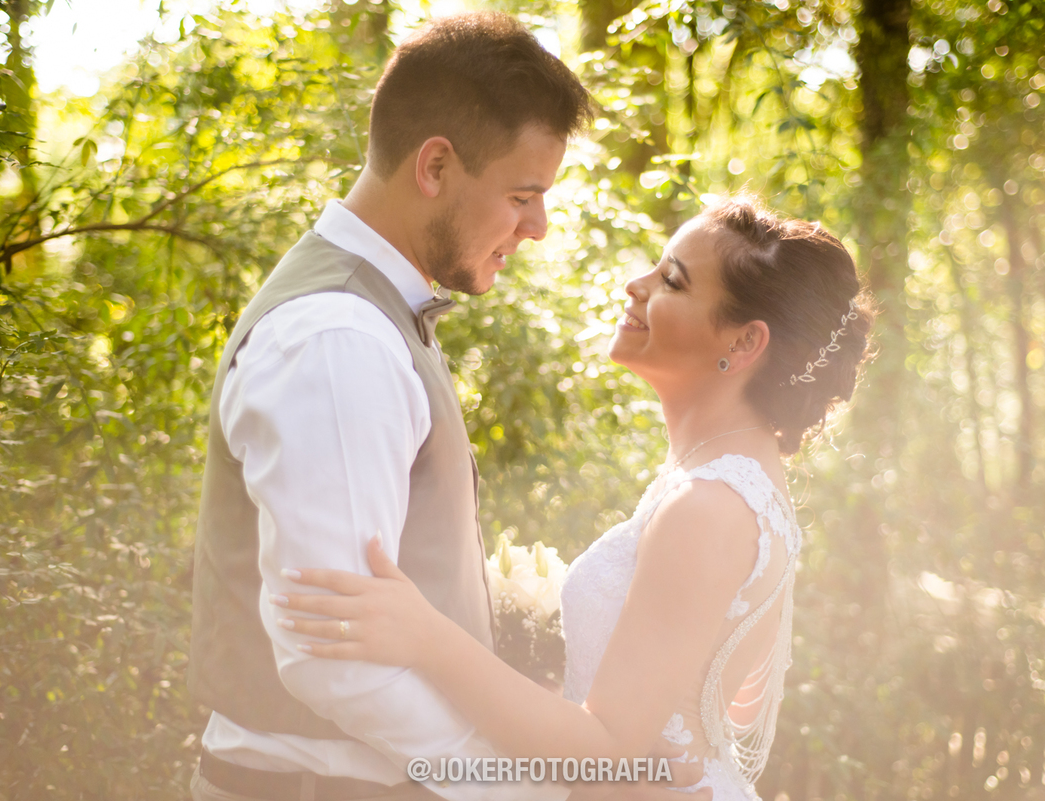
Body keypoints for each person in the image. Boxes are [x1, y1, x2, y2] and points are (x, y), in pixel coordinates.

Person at [188, 11, 701, 801]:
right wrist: (540, 789)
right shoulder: (337, 339)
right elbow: (334, 659)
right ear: (434, 167)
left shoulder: (371, 318)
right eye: (522, 194)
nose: (538, 226)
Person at [273, 195, 876, 800]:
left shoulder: (710, 505)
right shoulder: (727, 481)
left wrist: (425, 635)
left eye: (671, 281)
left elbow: (607, 748)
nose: (636, 286)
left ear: (745, 344)